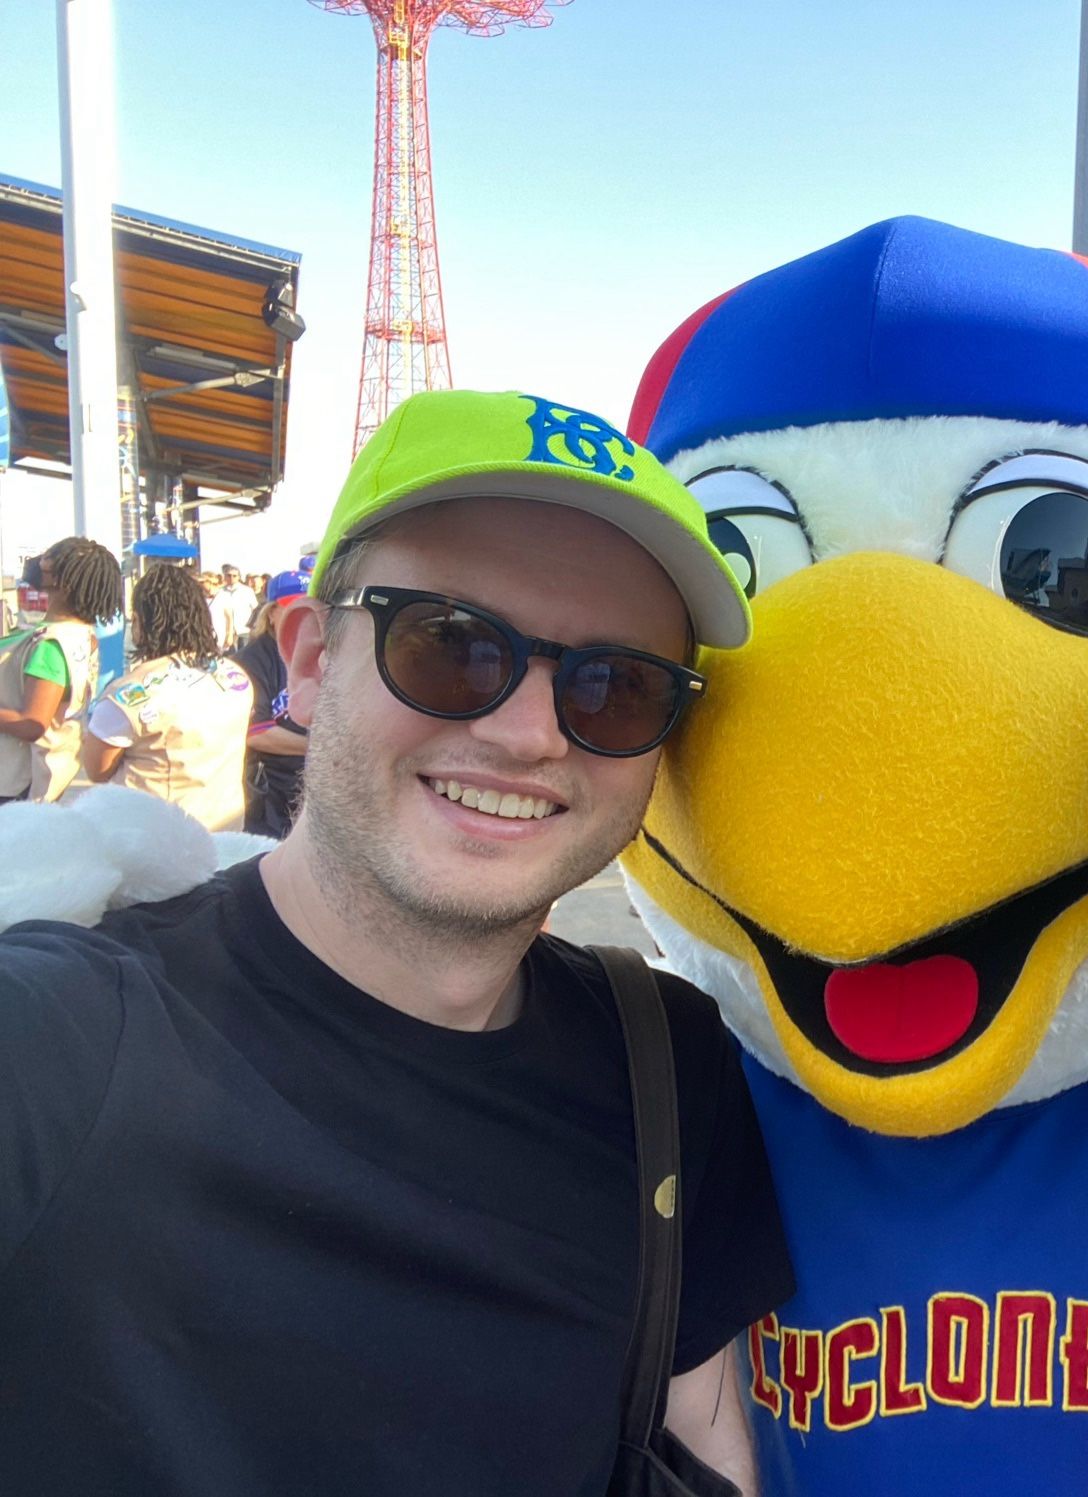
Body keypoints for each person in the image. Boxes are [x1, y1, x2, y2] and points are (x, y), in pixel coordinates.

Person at [0, 388, 791, 1494]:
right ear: (311, 658)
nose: (525, 734)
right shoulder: (58, 1042)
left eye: (614, 688)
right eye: (453, 645)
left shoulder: (666, 1063)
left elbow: (709, 1440)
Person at [81, 562, 256, 831]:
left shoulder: (128, 694)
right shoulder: (236, 678)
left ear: (140, 621)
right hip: (227, 832)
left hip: (156, 844)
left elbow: (97, 770)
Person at [0, 535, 121, 805]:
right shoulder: (78, 635)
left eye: (45, 566)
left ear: (64, 585)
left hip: (12, 784)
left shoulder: (52, 645)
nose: (37, 566)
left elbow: (33, 722)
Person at [229, 568, 312, 837]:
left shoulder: (318, 651)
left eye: (309, 608)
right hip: (273, 794)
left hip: (314, 785)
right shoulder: (251, 661)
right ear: (272, 612)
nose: (303, 617)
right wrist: (319, 747)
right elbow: (256, 734)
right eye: (293, 608)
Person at [209, 561, 257, 649]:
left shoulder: (247, 591)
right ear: (225, 577)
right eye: (229, 575)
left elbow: (255, 609)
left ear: (239, 577)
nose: (231, 578)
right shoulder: (220, 592)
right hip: (225, 632)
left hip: (244, 630)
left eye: (234, 576)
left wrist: (252, 628)